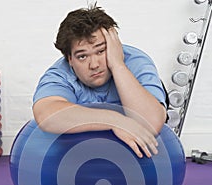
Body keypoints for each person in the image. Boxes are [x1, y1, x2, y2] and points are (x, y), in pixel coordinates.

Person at [33, 4, 167, 158]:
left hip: (137, 162)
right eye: (82, 56)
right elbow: (46, 116)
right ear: (69, 59)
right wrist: (115, 120)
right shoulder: (60, 73)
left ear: (114, 46)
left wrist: (118, 65)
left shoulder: (136, 62)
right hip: (78, 159)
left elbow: (150, 123)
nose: (94, 65)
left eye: (101, 51)